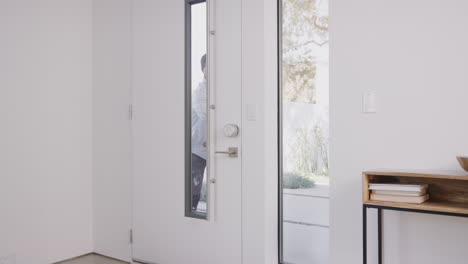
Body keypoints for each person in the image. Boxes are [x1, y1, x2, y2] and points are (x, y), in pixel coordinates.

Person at [191, 54, 207, 211]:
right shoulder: (199, 92)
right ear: (204, 69)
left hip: (213, 146)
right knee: (193, 189)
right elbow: (206, 114)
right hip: (197, 149)